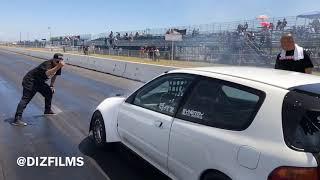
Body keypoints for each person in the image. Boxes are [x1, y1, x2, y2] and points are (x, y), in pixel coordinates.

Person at [11, 53, 65, 126]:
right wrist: (58, 66)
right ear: (53, 59)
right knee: (26, 99)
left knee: (49, 92)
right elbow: (47, 74)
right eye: (57, 61)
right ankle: (17, 119)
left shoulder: (58, 66)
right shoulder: (47, 64)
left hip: (40, 82)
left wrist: (51, 86)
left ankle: (47, 110)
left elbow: (55, 75)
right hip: (30, 81)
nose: (59, 62)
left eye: (60, 61)